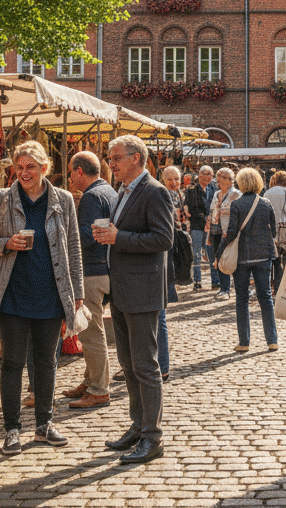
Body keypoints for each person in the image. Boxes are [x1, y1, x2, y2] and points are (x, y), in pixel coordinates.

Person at [0, 140, 83, 455]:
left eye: (31, 167)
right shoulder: (0, 199)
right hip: (11, 293)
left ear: (44, 168)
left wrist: (77, 292)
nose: (24, 173)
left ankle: (44, 424)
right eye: (19, 167)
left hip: (50, 293)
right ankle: (12, 429)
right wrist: (6, 243)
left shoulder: (63, 199)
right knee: (12, 362)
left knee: (47, 361)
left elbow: (73, 246)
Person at [92, 135, 175, 465]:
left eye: (116, 158)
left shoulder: (155, 191)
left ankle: (153, 437)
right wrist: (109, 236)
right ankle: (138, 426)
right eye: (109, 158)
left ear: (136, 158)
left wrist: (119, 237)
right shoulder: (123, 191)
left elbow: (163, 238)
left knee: (145, 365)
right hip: (123, 289)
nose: (110, 163)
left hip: (143, 292)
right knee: (128, 365)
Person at [64, 152, 118, 410]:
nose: (70, 178)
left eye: (70, 172)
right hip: (106, 268)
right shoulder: (109, 190)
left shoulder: (91, 196)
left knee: (91, 332)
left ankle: (98, 389)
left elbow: (86, 236)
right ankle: (90, 381)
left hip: (92, 271)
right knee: (92, 329)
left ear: (79, 172)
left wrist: (66, 232)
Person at [219, 168, 279, 352]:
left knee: (242, 299)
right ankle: (272, 340)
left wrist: (219, 252)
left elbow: (231, 232)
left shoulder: (236, 205)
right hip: (263, 255)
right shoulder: (266, 203)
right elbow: (273, 231)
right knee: (266, 298)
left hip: (242, 257)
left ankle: (244, 342)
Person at [158, 166, 185, 378]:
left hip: (166, 257)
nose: (174, 182)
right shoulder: (166, 194)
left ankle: (161, 365)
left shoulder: (173, 195)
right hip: (168, 255)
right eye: (171, 179)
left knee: (159, 316)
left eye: (177, 179)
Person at [208, 168, 242, 299]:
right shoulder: (216, 194)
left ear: (229, 180)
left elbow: (240, 214)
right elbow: (211, 213)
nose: (219, 181)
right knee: (219, 259)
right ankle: (224, 289)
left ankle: (237, 288)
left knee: (231, 259)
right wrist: (208, 234)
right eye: (218, 178)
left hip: (228, 232)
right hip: (215, 231)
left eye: (221, 178)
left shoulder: (236, 194)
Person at [263, 171, 286, 291]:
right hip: (285, 228)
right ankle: (282, 288)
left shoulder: (267, 193)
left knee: (274, 260)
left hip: (270, 229)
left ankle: (272, 288)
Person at [185, 166, 216, 290]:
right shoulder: (192, 190)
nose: (207, 176)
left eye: (210, 174)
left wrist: (211, 219)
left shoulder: (214, 189)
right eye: (205, 174)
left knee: (211, 254)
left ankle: (215, 282)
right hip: (197, 225)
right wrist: (205, 218)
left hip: (211, 226)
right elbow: (192, 207)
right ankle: (197, 281)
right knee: (196, 254)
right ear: (200, 175)